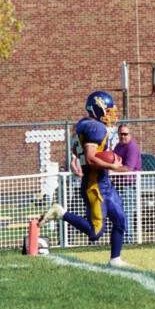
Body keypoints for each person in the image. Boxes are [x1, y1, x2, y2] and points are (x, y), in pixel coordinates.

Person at [38, 91, 131, 267]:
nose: (111, 114)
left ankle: (115, 259)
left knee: (120, 219)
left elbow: (75, 149)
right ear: (98, 108)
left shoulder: (84, 124)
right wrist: (112, 166)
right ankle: (61, 213)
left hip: (104, 183)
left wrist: (75, 162)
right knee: (95, 232)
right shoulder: (96, 128)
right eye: (108, 110)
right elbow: (89, 158)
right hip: (94, 185)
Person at [112, 124, 141, 243]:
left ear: (130, 134)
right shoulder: (118, 146)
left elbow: (128, 168)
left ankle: (128, 239)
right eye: (121, 134)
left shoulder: (132, 148)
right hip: (118, 184)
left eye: (125, 134)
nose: (123, 136)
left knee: (126, 212)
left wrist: (112, 169)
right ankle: (120, 238)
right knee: (117, 212)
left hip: (128, 185)